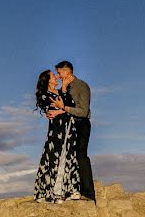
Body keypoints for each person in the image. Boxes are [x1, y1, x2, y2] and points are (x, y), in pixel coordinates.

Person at [46, 60, 95, 202]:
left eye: (59, 73)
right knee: (69, 158)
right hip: (69, 126)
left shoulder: (82, 86)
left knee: (81, 156)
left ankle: (89, 193)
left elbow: (83, 111)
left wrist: (64, 108)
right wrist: (56, 112)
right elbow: (62, 107)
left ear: (67, 71)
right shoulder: (64, 87)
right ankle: (72, 191)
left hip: (81, 124)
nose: (58, 76)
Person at [33, 69, 81, 203]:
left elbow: (71, 106)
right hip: (56, 131)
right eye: (53, 76)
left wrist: (61, 108)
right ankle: (52, 191)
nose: (56, 77)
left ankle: (70, 189)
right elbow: (52, 109)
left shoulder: (61, 92)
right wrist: (62, 109)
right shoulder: (44, 95)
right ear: (48, 81)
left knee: (70, 156)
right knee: (54, 158)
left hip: (69, 129)